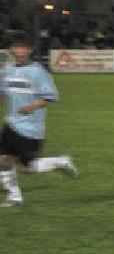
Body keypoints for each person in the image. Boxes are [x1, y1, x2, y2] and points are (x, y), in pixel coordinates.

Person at [1, 34, 76, 208]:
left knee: (26, 169)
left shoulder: (38, 71)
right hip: (11, 123)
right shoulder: (8, 70)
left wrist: (30, 108)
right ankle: (15, 197)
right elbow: (3, 92)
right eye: (16, 47)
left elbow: (51, 97)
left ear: (29, 51)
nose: (18, 51)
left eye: (22, 48)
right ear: (11, 51)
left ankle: (61, 161)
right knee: (3, 160)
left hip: (30, 127)